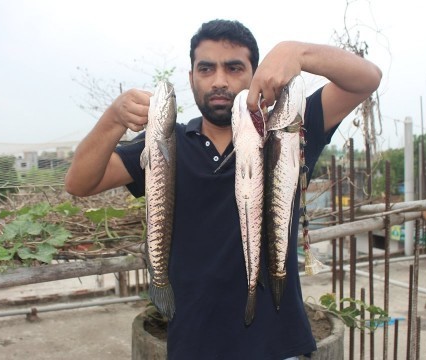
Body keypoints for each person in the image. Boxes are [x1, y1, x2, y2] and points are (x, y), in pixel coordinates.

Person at [65, 19, 381, 360]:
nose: (219, 81)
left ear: (256, 73)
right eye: (206, 68)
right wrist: (113, 118)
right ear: (191, 78)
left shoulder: (285, 131)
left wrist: (297, 52)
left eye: (233, 68)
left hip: (278, 346)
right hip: (192, 346)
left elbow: (366, 79)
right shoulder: (166, 146)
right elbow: (80, 183)